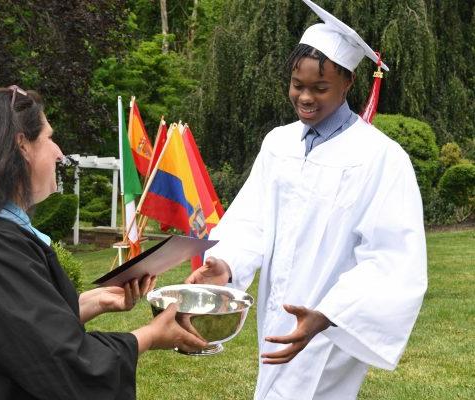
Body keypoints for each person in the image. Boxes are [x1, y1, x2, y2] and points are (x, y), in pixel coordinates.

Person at [0, 86, 206, 400]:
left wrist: (94, 302)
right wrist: (149, 336)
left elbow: (9, 330)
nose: (59, 153)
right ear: (22, 145)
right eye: (49, 138)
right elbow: (59, 363)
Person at [185, 1, 427, 399]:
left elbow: (393, 257)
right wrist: (225, 266)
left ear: (348, 83)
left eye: (320, 88)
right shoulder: (279, 143)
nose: (305, 98)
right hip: (279, 312)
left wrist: (331, 313)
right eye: (298, 85)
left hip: (331, 320)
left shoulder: (379, 157)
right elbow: (252, 220)